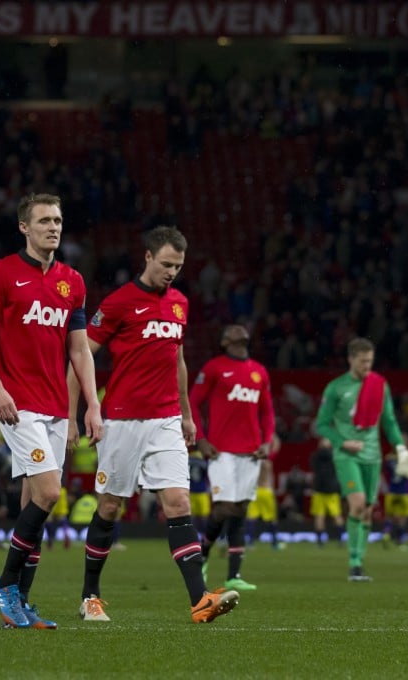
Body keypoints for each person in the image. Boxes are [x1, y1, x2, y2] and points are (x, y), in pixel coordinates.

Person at [68, 226, 239, 624]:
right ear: (147, 258)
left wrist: (185, 413)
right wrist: (77, 412)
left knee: (179, 503)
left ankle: (200, 600)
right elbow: (80, 358)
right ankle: (89, 594)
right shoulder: (118, 303)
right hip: (122, 422)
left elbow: (177, 359)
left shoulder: (180, 303)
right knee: (110, 506)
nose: (171, 273)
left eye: (177, 266)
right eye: (165, 264)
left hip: (164, 421)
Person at [0, 193, 102, 629]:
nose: (54, 226)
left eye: (58, 220)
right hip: (18, 405)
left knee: (36, 505)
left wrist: (90, 405)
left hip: (55, 408)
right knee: (49, 493)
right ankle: (5, 584)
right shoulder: (3, 273)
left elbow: (80, 349)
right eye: (44, 220)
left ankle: (20, 603)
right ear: (24, 227)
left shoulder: (73, 282)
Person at [315, 338, 408, 582]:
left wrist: (400, 447)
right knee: (357, 505)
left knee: (368, 511)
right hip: (347, 455)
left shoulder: (380, 385)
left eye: (370, 361)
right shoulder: (336, 388)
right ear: (351, 359)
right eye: (362, 362)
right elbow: (321, 425)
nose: (367, 366)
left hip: (373, 455)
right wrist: (341, 442)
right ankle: (354, 564)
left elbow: (389, 421)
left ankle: (360, 559)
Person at [188, 324, 276, 592]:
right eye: (233, 331)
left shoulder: (259, 371)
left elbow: (267, 412)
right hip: (221, 450)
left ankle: (234, 575)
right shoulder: (214, 368)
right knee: (225, 507)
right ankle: (201, 556)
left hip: (250, 452)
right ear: (225, 340)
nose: (239, 332)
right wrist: (200, 439)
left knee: (240, 509)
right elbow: (192, 403)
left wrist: (267, 441)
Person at [309, 439, 344, 546]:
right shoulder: (335, 456)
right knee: (337, 515)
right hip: (332, 490)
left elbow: (312, 466)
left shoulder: (315, 456)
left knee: (319, 516)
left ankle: (320, 541)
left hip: (319, 490)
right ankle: (340, 539)